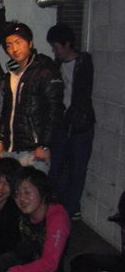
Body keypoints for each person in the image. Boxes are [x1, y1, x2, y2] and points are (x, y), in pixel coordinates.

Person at [0, 22, 64, 173]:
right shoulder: (11, 74)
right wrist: (0, 139)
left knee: (32, 188)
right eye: (9, 45)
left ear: (30, 43)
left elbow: (55, 110)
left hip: (34, 151)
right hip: (11, 149)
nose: (14, 49)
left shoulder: (45, 70)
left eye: (18, 42)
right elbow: (7, 110)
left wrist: (44, 145)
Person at [46, 23, 95, 219]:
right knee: (55, 168)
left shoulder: (83, 62)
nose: (54, 50)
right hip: (62, 124)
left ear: (67, 45)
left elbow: (81, 95)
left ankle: (71, 209)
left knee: (77, 169)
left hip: (80, 125)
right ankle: (57, 206)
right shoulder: (56, 66)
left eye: (56, 46)